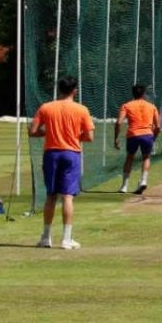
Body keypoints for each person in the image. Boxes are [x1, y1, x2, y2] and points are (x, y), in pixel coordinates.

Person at [28, 76, 95, 250]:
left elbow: (32, 131)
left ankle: (46, 237)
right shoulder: (81, 109)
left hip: (51, 153)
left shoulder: (46, 107)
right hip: (71, 153)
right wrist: (73, 135)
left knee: (51, 195)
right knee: (67, 196)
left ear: (59, 89)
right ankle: (66, 239)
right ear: (75, 91)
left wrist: (49, 133)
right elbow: (89, 136)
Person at [114, 83, 161, 194]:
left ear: (133, 93)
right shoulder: (152, 106)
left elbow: (119, 122)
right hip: (147, 134)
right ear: (144, 94)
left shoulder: (126, 105)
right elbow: (158, 126)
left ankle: (124, 186)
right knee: (146, 157)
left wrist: (115, 138)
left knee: (130, 158)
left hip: (133, 134)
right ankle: (143, 181)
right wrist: (154, 138)